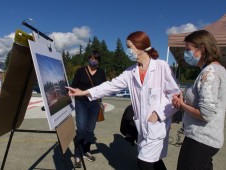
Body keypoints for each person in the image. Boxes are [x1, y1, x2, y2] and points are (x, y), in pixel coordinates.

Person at [67, 31, 180, 170]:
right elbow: (111, 85)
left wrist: (158, 114)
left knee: (144, 162)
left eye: (129, 46)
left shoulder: (162, 67)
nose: (128, 50)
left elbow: (176, 97)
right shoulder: (130, 72)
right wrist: (84, 92)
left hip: (157, 125)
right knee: (154, 162)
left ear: (140, 47)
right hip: (142, 127)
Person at [172, 30, 226, 170]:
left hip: (200, 140)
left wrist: (182, 105)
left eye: (188, 49)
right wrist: (184, 102)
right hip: (207, 139)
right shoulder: (214, 70)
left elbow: (205, 114)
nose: (186, 54)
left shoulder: (210, 73)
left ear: (202, 49)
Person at [71, 51, 107, 168]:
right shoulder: (81, 71)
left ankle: (86, 150)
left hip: (94, 104)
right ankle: (77, 155)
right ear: (88, 59)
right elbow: (74, 85)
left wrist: (101, 102)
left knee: (89, 130)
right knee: (81, 129)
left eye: (96, 59)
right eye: (92, 58)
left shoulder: (101, 72)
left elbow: (103, 88)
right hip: (81, 102)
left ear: (98, 60)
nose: (94, 60)